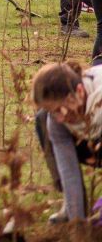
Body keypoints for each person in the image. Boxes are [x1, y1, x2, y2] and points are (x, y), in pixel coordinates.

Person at [31, 61, 102, 225]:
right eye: (52, 111)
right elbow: (69, 171)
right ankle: (71, 205)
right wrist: (77, 224)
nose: (59, 118)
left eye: (58, 109)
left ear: (79, 91)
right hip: (93, 141)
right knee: (43, 120)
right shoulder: (56, 121)